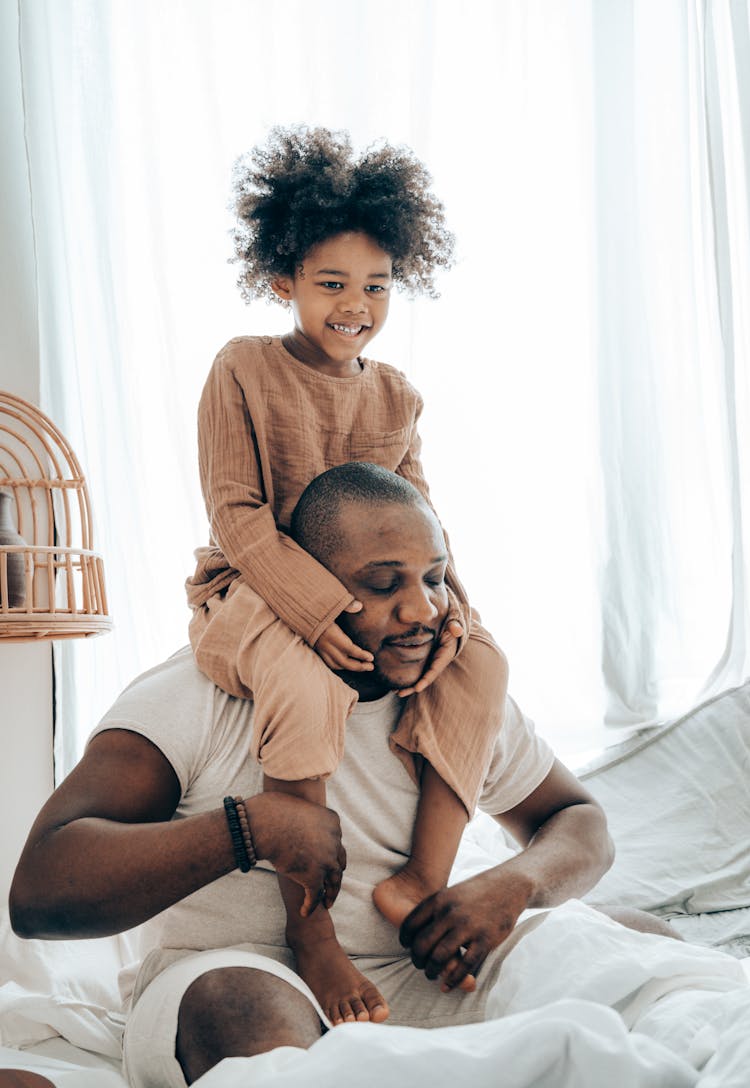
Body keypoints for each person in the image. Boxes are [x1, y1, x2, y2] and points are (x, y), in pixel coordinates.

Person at [10, 463, 618, 1088]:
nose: (425, 609)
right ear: (306, 587)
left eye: (436, 578)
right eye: (385, 585)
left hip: (418, 980)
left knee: (620, 948)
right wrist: (247, 830)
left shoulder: (453, 691)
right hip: (237, 977)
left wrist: (515, 884)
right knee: (242, 1005)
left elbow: (581, 823)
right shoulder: (197, 693)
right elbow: (39, 894)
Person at [185, 125, 509, 1012]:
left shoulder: (397, 393)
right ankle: (311, 927)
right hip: (251, 587)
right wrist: (320, 610)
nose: (355, 304)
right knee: (302, 680)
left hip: (367, 594)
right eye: (331, 284)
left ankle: (421, 877)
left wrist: (451, 616)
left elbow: (423, 520)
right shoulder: (243, 370)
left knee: (482, 662)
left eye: (377, 286)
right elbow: (236, 512)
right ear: (282, 279)